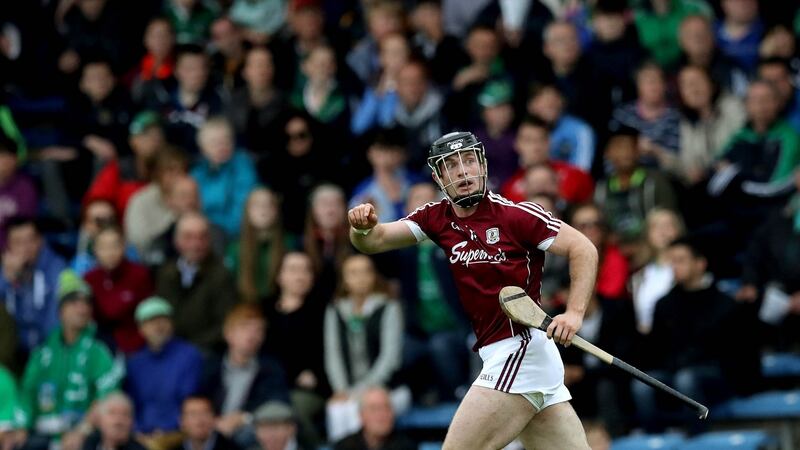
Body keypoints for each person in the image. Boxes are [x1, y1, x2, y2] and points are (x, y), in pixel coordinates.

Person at [347, 131, 598, 449]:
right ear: (439, 177)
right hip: (508, 354)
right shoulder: (436, 217)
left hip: (519, 349)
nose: (463, 171)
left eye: (468, 161)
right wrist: (361, 228)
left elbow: (583, 249)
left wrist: (574, 314)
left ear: (482, 165)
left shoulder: (516, 215)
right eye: (451, 165)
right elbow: (375, 241)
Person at [19, 270, 122, 450]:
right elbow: (28, 392)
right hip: (43, 434)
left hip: (84, 436)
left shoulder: (100, 348)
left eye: (86, 303)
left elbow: (108, 395)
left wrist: (83, 430)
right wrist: (20, 427)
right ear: (60, 311)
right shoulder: (43, 351)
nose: (82, 309)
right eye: (74, 303)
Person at [201, 304, 289, 447]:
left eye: (258, 330)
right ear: (228, 333)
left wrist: (243, 418)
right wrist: (212, 422)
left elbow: (279, 403)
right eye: (245, 328)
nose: (252, 335)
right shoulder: (211, 366)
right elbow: (198, 400)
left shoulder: (271, 369)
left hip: (251, 431)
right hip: (212, 428)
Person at [126, 297, 203, 442]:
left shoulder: (189, 356)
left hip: (180, 435)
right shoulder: (135, 363)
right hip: (142, 437)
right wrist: (138, 431)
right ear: (141, 329)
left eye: (163, 320)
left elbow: (189, 400)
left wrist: (168, 432)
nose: (158, 326)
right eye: (151, 322)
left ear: (171, 324)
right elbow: (132, 404)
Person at [84, 226, 153, 354]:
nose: (110, 252)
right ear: (95, 250)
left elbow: (148, 315)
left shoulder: (140, 275)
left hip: (135, 345)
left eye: (115, 246)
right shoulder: (89, 279)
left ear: (124, 247)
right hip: (100, 345)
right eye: (103, 247)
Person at [332, 387, 415, 450]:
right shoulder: (344, 447)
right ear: (361, 416)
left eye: (387, 408)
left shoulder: (407, 446)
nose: (382, 415)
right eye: (374, 409)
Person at [167, 397, 240, 450]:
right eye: (193, 414)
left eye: (204, 413)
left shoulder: (230, 447)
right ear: (181, 421)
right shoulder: (172, 447)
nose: (199, 420)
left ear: (214, 418)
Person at [80, 392, 146, 450]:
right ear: (100, 419)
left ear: (132, 422)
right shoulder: (88, 443)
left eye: (125, 414)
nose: (118, 420)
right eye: (112, 413)